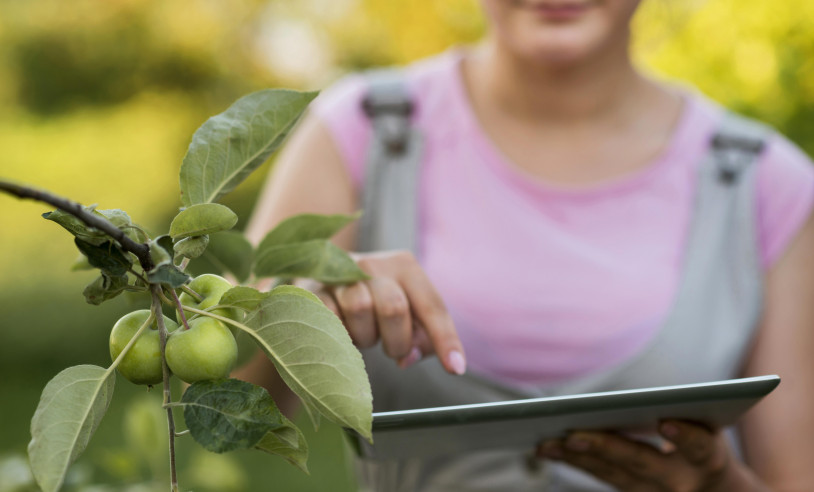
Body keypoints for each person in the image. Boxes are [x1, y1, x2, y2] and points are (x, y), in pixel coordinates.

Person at [236, 1, 814, 490]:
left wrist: (719, 485)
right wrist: (298, 310)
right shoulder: (359, 131)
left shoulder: (768, 183)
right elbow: (227, 405)